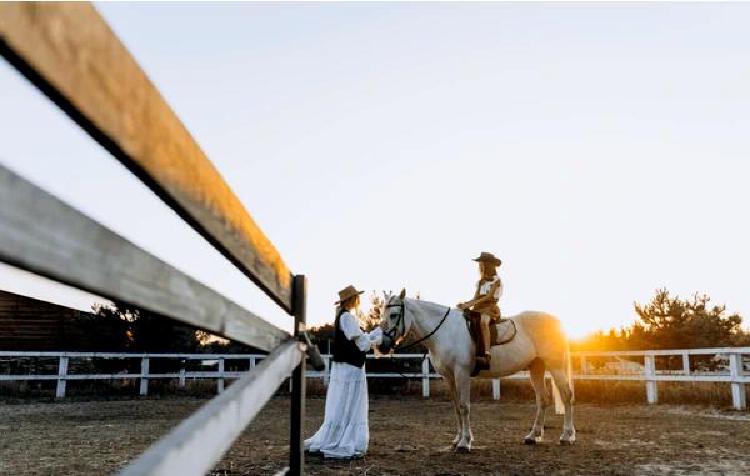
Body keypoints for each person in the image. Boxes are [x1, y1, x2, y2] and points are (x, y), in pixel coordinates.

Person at [305, 285, 382, 459]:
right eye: (355, 297)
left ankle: (339, 435)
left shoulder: (343, 317)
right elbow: (361, 342)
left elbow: (360, 338)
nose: (357, 299)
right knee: (350, 401)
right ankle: (346, 440)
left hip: (345, 366)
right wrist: (377, 337)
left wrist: (374, 334)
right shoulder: (347, 317)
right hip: (350, 367)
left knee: (342, 400)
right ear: (351, 299)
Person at [457, 252, 503, 372]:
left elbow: (489, 297)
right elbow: (476, 297)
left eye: (482, 264)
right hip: (478, 306)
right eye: (480, 264)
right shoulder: (480, 282)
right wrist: (465, 304)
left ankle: (486, 354)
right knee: (463, 320)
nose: (480, 267)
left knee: (483, 322)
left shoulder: (496, 280)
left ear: (488, 265)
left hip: (490, 307)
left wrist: (471, 304)